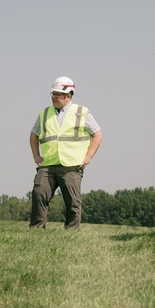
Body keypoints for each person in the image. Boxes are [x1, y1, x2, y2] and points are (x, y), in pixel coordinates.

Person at [29, 76, 103, 230]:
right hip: (48, 164)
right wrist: (36, 155)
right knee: (39, 193)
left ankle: (71, 231)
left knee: (73, 201)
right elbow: (34, 134)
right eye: (53, 94)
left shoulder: (82, 112)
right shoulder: (44, 113)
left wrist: (88, 156)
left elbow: (97, 134)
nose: (54, 97)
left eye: (57, 94)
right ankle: (36, 229)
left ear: (68, 96)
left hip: (72, 165)